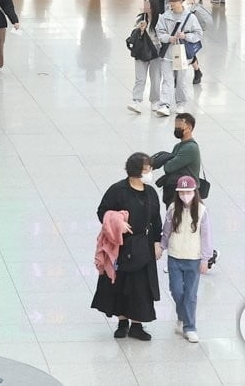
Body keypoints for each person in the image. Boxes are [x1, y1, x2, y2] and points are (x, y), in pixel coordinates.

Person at [91, 152, 162, 341]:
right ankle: (122, 322)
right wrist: (117, 223)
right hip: (121, 245)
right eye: (147, 169)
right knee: (121, 283)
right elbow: (102, 212)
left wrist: (157, 242)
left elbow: (156, 220)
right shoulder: (118, 190)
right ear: (136, 170)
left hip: (144, 245)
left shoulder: (151, 192)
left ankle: (137, 325)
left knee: (141, 286)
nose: (150, 172)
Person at [160, 175, 213, 344]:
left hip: (193, 258)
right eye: (181, 192)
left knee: (190, 294)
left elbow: (206, 236)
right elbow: (166, 230)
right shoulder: (172, 208)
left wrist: (205, 259)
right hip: (174, 257)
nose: (185, 195)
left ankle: (190, 327)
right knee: (177, 291)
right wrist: (161, 247)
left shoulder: (202, 211)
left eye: (188, 191)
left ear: (194, 191)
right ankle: (182, 316)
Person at [155, 0, 203, 116]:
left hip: (181, 54)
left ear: (181, 1)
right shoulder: (164, 16)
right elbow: (159, 32)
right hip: (167, 53)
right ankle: (164, 104)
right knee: (167, 80)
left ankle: (181, 103)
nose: (171, 4)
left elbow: (198, 34)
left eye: (174, 1)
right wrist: (168, 38)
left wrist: (185, 36)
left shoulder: (190, 17)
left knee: (181, 80)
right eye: (170, 1)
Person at [155, 113, 202, 206]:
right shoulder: (179, 146)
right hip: (177, 189)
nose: (176, 129)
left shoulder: (190, 148)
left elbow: (169, 167)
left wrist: (167, 161)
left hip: (186, 192)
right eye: (175, 126)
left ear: (189, 128)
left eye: (179, 126)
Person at [128, 0, 162, 113]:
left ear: (153, 6)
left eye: (147, 4)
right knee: (140, 78)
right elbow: (133, 34)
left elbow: (163, 35)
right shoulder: (140, 19)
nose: (145, 7)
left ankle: (155, 101)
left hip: (155, 51)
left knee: (156, 78)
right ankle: (136, 101)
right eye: (144, 4)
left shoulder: (160, 19)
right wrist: (141, 30)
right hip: (141, 50)